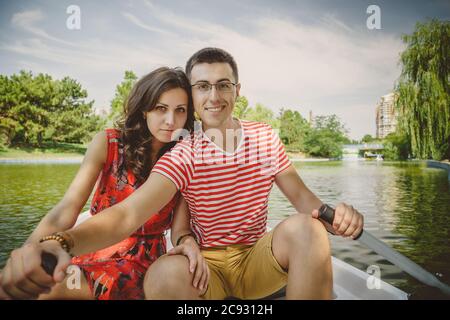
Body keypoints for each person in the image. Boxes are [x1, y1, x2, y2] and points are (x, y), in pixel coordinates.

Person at [1, 48, 363, 300]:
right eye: (202, 86)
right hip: (202, 268)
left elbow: (307, 204)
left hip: (257, 258)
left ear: (238, 91)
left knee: (307, 227)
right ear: (193, 94)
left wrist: (341, 218)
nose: (214, 95)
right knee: (157, 276)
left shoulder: (264, 138)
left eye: (224, 84)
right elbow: (125, 215)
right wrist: (53, 244)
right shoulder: (182, 151)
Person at [0, 67, 209, 300]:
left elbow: (180, 229)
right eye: (161, 108)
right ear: (143, 110)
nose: (171, 121)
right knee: (42, 285)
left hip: (144, 264)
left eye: (180, 110)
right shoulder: (108, 143)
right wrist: (26, 254)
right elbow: (66, 210)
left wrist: (188, 242)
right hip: (90, 248)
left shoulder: (185, 157)